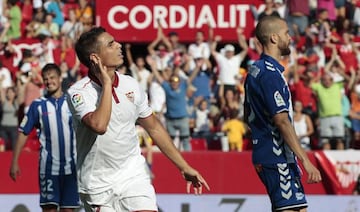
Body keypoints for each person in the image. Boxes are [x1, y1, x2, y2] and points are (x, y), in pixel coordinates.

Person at [67, 27, 210, 212]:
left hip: (133, 176)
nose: (119, 45)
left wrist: (183, 167)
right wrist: (107, 84)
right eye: (111, 44)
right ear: (95, 58)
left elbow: (155, 128)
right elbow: (99, 125)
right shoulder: (78, 92)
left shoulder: (131, 84)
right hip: (97, 185)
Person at [243, 16, 321, 212]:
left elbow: (247, 114)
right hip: (276, 156)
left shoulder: (255, 70)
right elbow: (281, 121)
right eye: (287, 33)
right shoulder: (269, 74)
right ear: (274, 38)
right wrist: (305, 160)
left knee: (298, 209)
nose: (291, 38)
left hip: (271, 154)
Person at [10, 63, 79, 212]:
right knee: (49, 209)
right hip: (48, 168)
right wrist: (14, 161)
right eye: (46, 79)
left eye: (52, 77)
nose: (49, 81)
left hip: (71, 168)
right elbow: (23, 132)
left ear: (60, 78)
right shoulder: (37, 105)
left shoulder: (73, 102)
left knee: (68, 210)